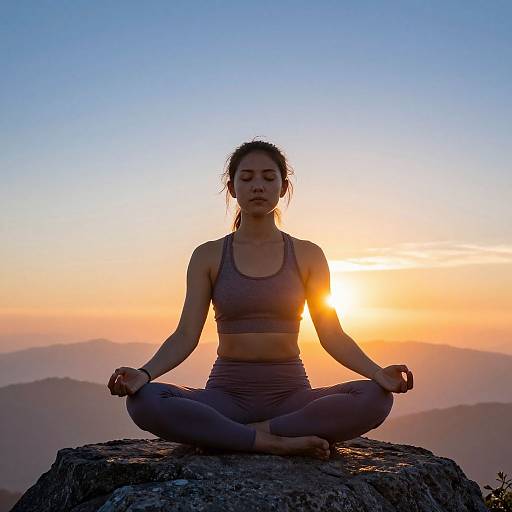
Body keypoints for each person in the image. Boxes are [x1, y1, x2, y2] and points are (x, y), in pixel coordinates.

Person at [107, 139, 413, 460]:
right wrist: (144, 373)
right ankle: (275, 441)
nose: (258, 186)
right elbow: (185, 335)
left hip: (291, 396)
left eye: (269, 178)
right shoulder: (208, 255)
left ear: (283, 188)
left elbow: (331, 334)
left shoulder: (308, 254)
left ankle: (242, 434)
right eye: (247, 177)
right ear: (232, 187)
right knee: (144, 401)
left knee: (374, 398)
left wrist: (377, 373)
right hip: (226, 395)